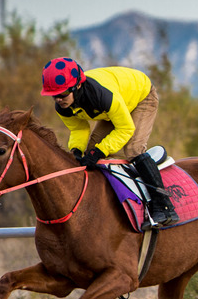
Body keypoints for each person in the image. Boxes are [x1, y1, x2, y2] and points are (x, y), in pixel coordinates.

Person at [41, 57, 178, 229]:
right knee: (89, 152)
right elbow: (79, 130)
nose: (59, 99)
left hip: (141, 96)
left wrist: (100, 151)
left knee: (132, 149)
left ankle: (164, 206)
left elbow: (125, 129)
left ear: (77, 86)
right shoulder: (63, 107)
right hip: (115, 105)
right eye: (53, 96)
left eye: (62, 93)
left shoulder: (101, 96)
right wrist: (76, 151)